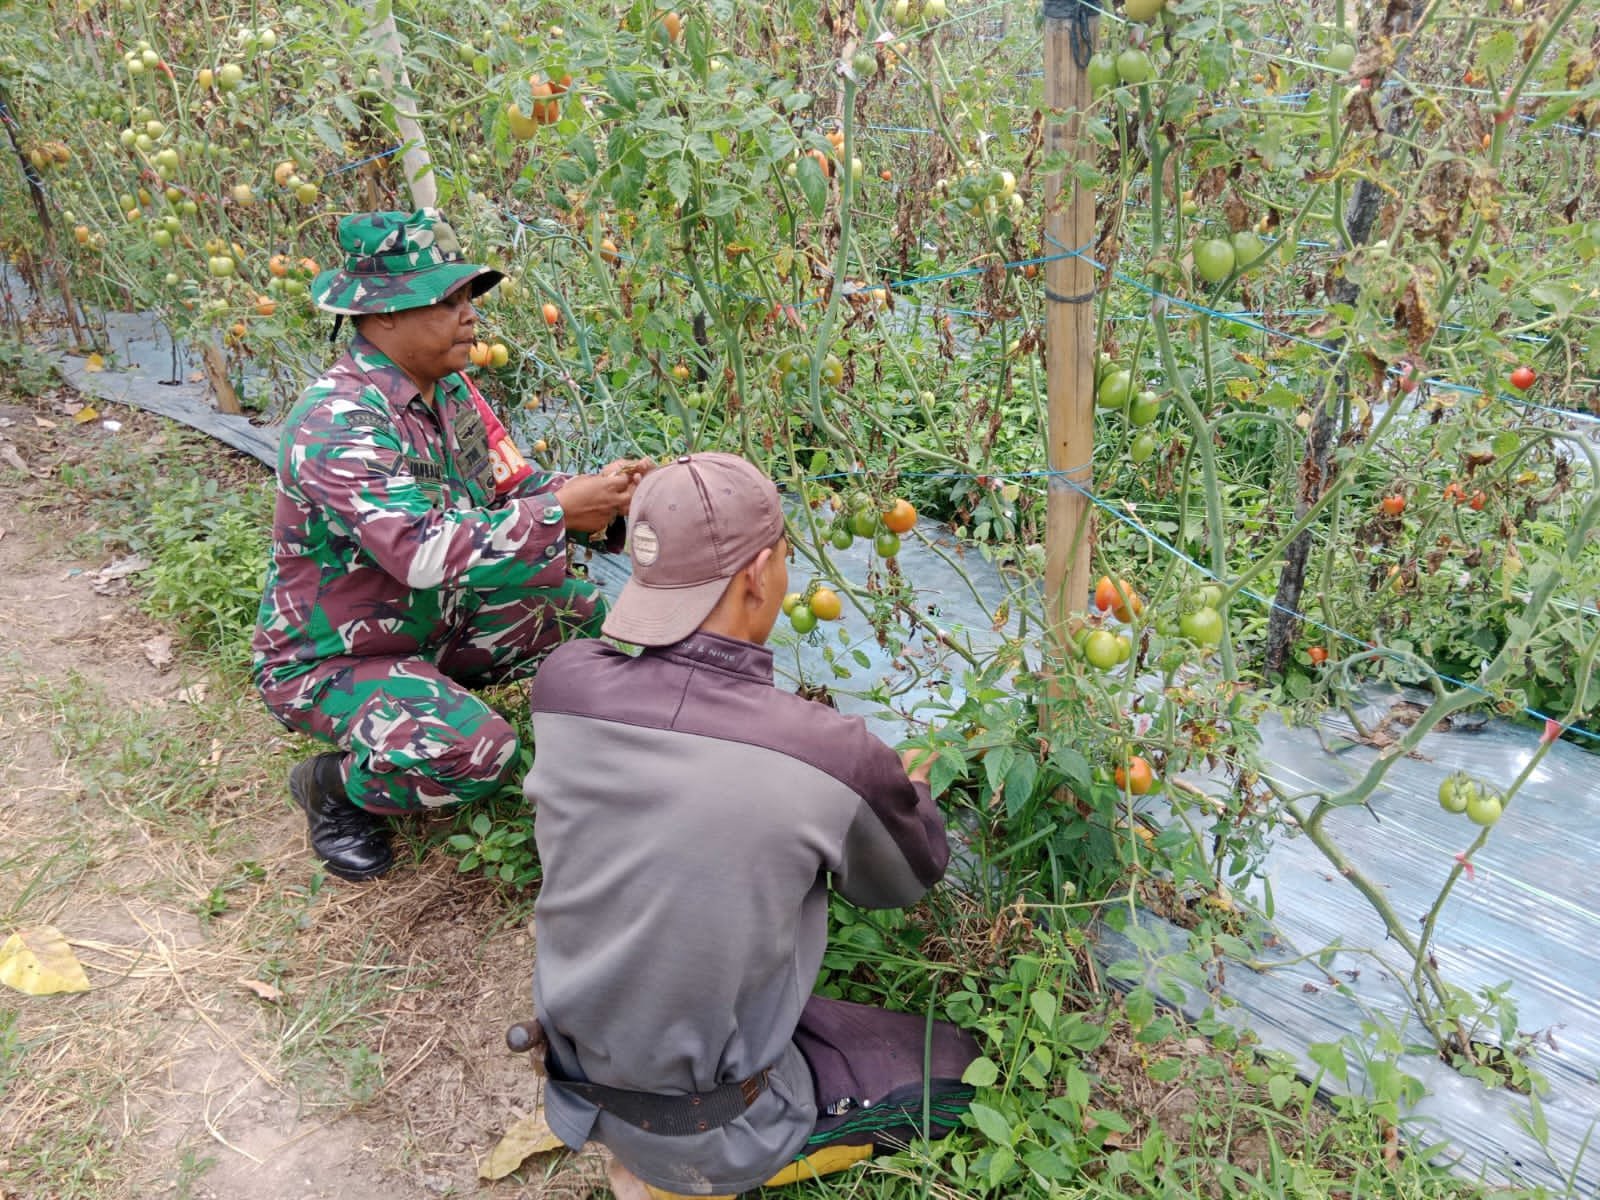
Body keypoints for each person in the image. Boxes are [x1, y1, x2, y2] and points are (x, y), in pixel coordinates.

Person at [522, 452, 978, 1199]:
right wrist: (911, 789)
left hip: (580, 1074)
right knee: (959, 1066)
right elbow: (902, 879)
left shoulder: (563, 683)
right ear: (760, 575)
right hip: (709, 1121)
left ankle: (643, 1148)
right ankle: (685, 1176)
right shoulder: (826, 752)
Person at [253, 208, 646, 882]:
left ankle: (444, 700)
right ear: (382, 317)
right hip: (334, 657)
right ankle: (333, 786)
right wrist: (559, 512)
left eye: (467, 298)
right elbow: (417, 552)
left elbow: (511, 484)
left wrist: (603, 496)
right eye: (445, 302)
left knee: (583, 611)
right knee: (477, 753)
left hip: (436, 622)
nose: (469, 317)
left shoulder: (452, 392)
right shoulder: (337, 421)